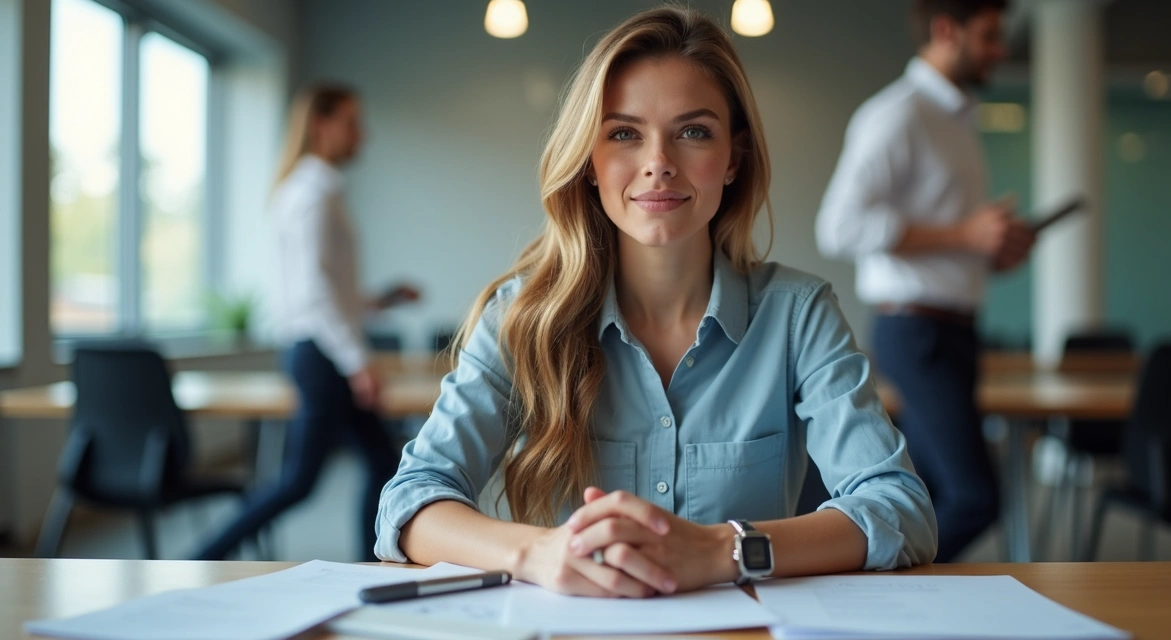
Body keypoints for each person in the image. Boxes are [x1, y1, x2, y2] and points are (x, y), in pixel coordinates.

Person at [375, 7, 936, 597]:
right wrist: (537, 552)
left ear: (733, 159)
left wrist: (725, 549)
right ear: (589, 162)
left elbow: (900, 509)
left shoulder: (798, 313)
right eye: (623, 133)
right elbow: (409, 503)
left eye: (693, 131)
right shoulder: (521, 317)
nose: (659, 162)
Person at [815, 0, 1034, 562]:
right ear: (945, 30)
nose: (999, 50)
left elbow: (947, 237)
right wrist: (965, 234)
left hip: (954, 330)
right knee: (973, 496)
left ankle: (899, 608)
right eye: (988, 36)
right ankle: (868, 598)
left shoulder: (958, 121)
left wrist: (989, 250)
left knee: (930, 498)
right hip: (917, 332)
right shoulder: (899, 115)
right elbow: (839, 227)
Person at [195, 84, 419, 561]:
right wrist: (358, 363)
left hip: (321, 348)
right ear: (321, 125)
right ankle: (202, 557)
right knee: (300, 480)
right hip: (320, 355)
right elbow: (313, 295)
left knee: (381, 462)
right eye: (352, 123)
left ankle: (370, 566)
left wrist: (381, 299)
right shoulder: (310, 193)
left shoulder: (319, 190)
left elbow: (328, 292)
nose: (362, 134)